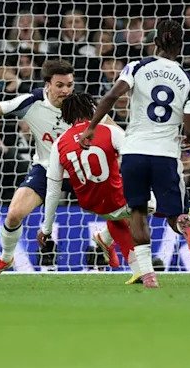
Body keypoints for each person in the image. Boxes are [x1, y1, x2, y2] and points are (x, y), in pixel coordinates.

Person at [0, 59, 117, 278]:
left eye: (69, 85)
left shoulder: (84, 105)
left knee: (127, 209)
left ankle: (105, 239)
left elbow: (112, 128)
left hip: (82, 169)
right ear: (47, 85)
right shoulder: (31, 102)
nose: (66, 90)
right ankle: (6, 258)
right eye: (60, 85)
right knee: (14, 214)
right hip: (46, 169)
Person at [81, 19, 190, 289]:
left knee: (137, 210)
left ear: (155, 42)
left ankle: (148, 274)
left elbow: (112, 95)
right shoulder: (189, 79)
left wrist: (91, 127)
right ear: (181, 46)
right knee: (174, 212)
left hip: (134, 151)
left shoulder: (137, 66)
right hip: (166, 154)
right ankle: (184, 223)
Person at [37, 93, 138, 280]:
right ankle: (184, 214)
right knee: (149, 202)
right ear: (92, 110)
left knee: (118, 218)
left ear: (66, 116)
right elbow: (135, 157)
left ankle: (135, 267)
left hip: (91, 204)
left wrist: (47, 228)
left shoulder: (58, 144)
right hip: (117, 196)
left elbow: (52, 191)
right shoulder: (109, 131)